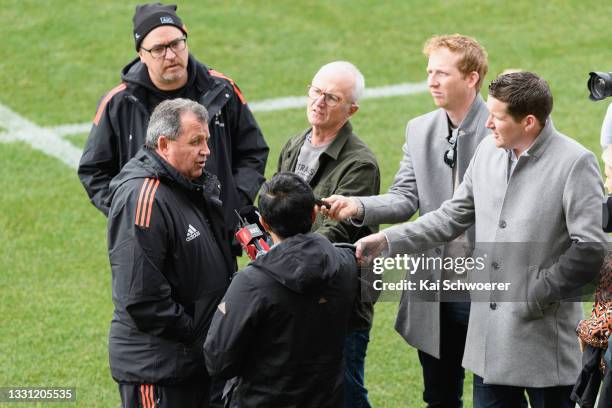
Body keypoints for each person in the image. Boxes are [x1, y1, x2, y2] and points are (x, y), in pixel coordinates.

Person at [345, 72, 606, 407]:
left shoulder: (575, 163)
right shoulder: (488, 150)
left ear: (528, 122)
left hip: (542, 345)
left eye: (497, 117)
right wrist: (389, 239)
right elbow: (451, 215)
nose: (487, 125)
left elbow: (590, 247)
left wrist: (536, 294)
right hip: (489, 346)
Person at [323, 35, 489, 407]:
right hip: (435, 286)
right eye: (430, 71)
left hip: (489, 286)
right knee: (439, 395)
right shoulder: (420, 129)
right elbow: (405, 197)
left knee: (491, 395)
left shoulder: (499, 130)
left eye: (442, 73)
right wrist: (358, 205)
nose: (431, 81)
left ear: (472, 78)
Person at [78, 3, 268, 256]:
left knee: (224, 297)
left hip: (216, 235)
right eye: (158, 48)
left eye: (176, 43)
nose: (170, 55)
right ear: (141, 54)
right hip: (152, 240)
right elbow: (94, 170)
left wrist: (232, 200)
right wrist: (131, 212)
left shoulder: (223, 90)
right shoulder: (118, 103)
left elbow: (252, 151)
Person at [106, 99, 233, 408]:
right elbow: (141, 296)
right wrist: (196, 333)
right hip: (161, 369)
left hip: (191, 362)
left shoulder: (187, 185)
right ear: (164, 144)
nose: (207, 151)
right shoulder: (143, 198)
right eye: (195, 142)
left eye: (206, 140)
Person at [203, 172, 359, 408]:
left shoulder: (250, 283)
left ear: (264, 224)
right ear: (314, 213)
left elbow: (218, 360)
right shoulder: (346, 263)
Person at [277, 60, 380, 407]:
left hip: (339, 304)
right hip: (297, 290)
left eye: (331, 97)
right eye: (316, 91)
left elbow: (337, 234)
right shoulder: (295, 145)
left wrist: (278, 256)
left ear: (351, 110)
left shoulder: (359, 164)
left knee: (345, 393)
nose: (318, 102)